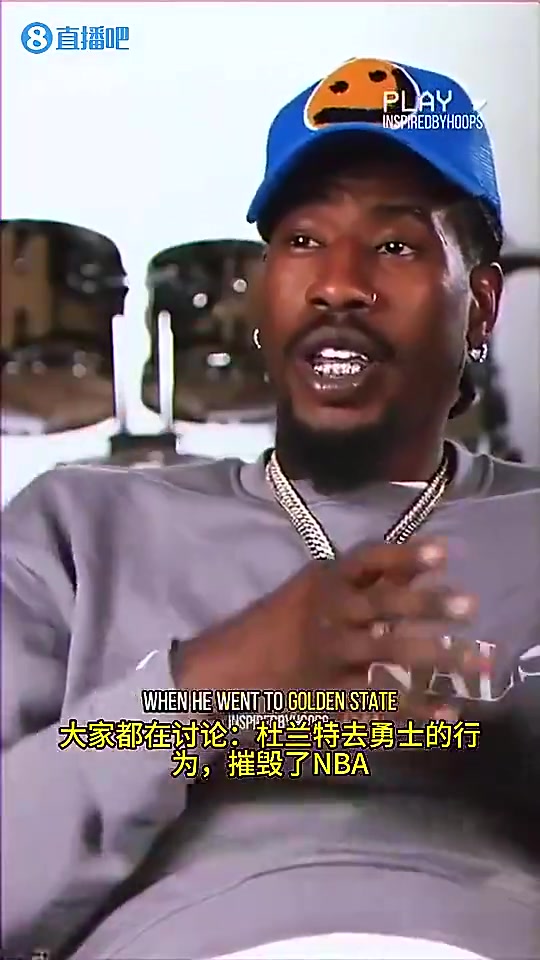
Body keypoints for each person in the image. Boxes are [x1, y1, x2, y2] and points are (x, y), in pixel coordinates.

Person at [2, 56, 540, 960]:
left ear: (480, 307)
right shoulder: (78, 531)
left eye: (396, 245)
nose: (339, 282)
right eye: (302, 240)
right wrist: (210, 683)